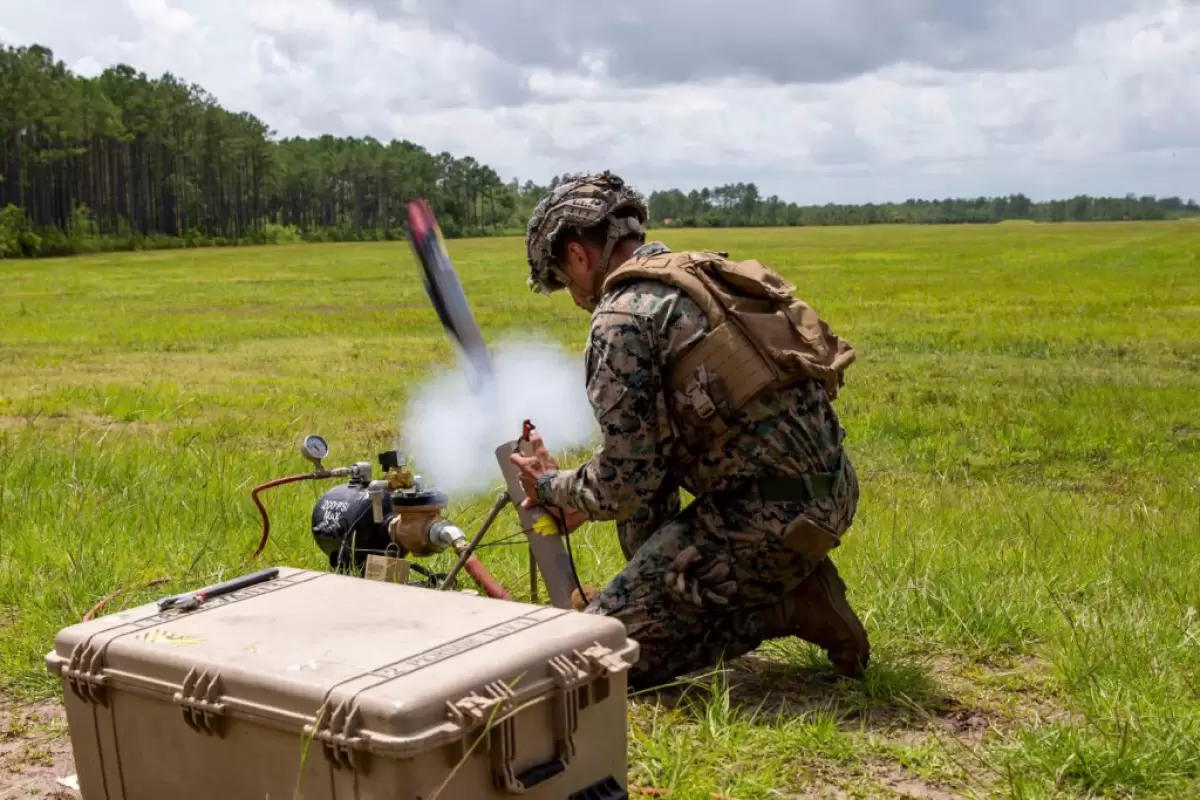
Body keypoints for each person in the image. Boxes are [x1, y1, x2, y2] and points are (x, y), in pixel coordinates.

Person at [510, 170, 869, 692]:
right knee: (642, 538)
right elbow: (646, 462)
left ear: (579, 255)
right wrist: (585, 496)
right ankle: (692, 598)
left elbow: (626, 481)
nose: (573, 297)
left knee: (598, 660)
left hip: (770, 519)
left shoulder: (620, 316)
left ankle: (788, 606)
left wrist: (550, 487)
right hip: (829, 494)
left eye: (564, 279)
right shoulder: (699, 276)